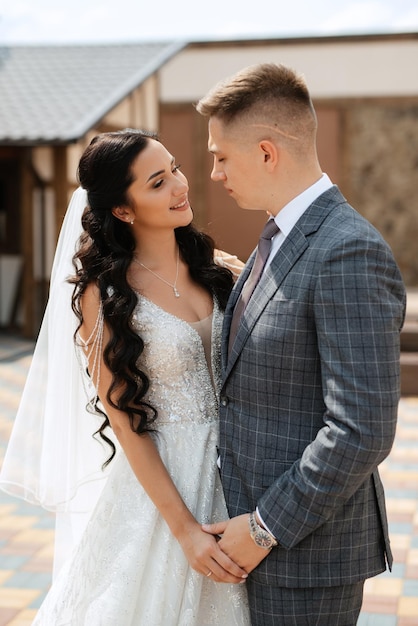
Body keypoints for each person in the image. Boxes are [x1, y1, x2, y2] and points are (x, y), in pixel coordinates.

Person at [0, 129, 251, 625]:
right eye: (158, 183)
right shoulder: (104, 294)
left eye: (175, 169)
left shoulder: (218, 266)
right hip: (164, 488)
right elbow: (125, 423)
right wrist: (184, 532)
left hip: (241, 471)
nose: (180, 186)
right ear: (123, 209)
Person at [196, 63, 407, 625]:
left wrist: (264, 528)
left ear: (266, 153)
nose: (213, 173)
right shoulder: (277, 237)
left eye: (220, 156)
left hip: (305, 559)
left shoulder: (347, 251)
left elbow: (360, 429)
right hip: (248, 549)